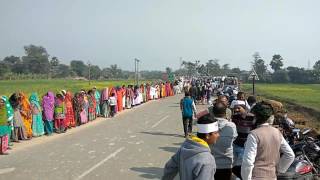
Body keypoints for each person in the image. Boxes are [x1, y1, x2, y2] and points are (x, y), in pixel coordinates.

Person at [241, 102, 295, 180]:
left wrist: (246, 178)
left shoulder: (253, 134)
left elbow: (248, 162)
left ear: (256, 118)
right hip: (272, 176)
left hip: (256, 176)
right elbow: (290, 155)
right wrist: (279, 170)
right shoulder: (277, 132)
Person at [162, 112, 220, 180]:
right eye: (216, 133)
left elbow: (170, 167)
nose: (218, 135)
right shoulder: (207, 160)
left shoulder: (185, 146)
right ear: (207, 135)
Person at [210, 102, 237, 180]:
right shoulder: (231, 126)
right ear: (225, 113)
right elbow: (234, 138)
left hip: (211, 162)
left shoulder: (208, 125)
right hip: (227, 163)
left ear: (212, 112)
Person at [231, 104, 256, 179]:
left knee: (242, 165)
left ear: (244, 108)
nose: (237, 110)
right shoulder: (234, 117)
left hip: (245, 145)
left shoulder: (251, 117)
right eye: (235, 108)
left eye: (239, 108)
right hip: (235, 144)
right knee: (234, 164)